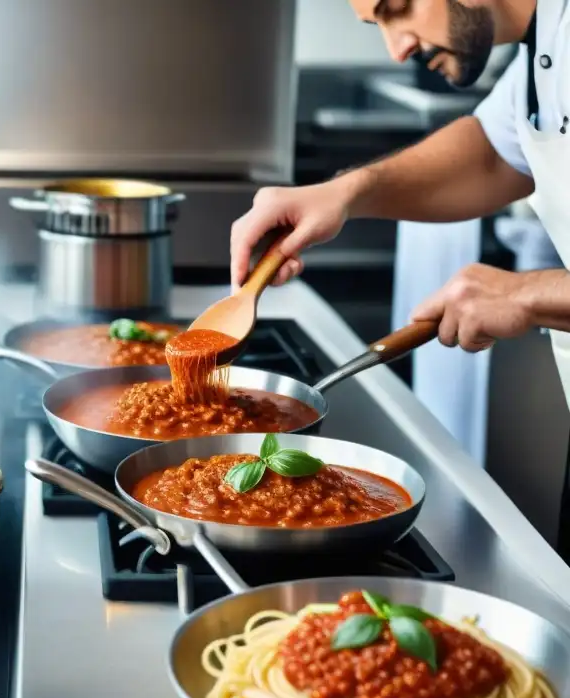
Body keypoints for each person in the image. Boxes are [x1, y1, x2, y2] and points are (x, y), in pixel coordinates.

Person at [231, 0, 570, 405]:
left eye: (397, 7)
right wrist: (341, 193)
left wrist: (529, 295)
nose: (397, 49)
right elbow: (493, 156)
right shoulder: (542, 45)